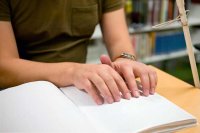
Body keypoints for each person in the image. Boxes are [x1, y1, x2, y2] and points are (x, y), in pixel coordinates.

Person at [0, 0, 157, 105]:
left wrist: (125, 60)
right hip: (21, 95)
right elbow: (4, 68)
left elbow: (118, 42)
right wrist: (72, 71)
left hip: (78, 92)